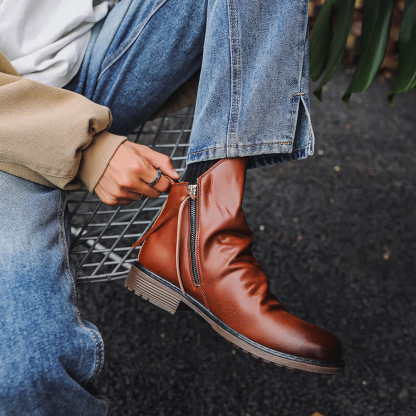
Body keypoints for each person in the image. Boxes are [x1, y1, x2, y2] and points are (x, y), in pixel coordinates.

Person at [0, 0, 344, 413]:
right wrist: (86, 147)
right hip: (7, 126)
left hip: (98, 54)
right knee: (26, 375)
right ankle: (200, 242)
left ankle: (205, 229)